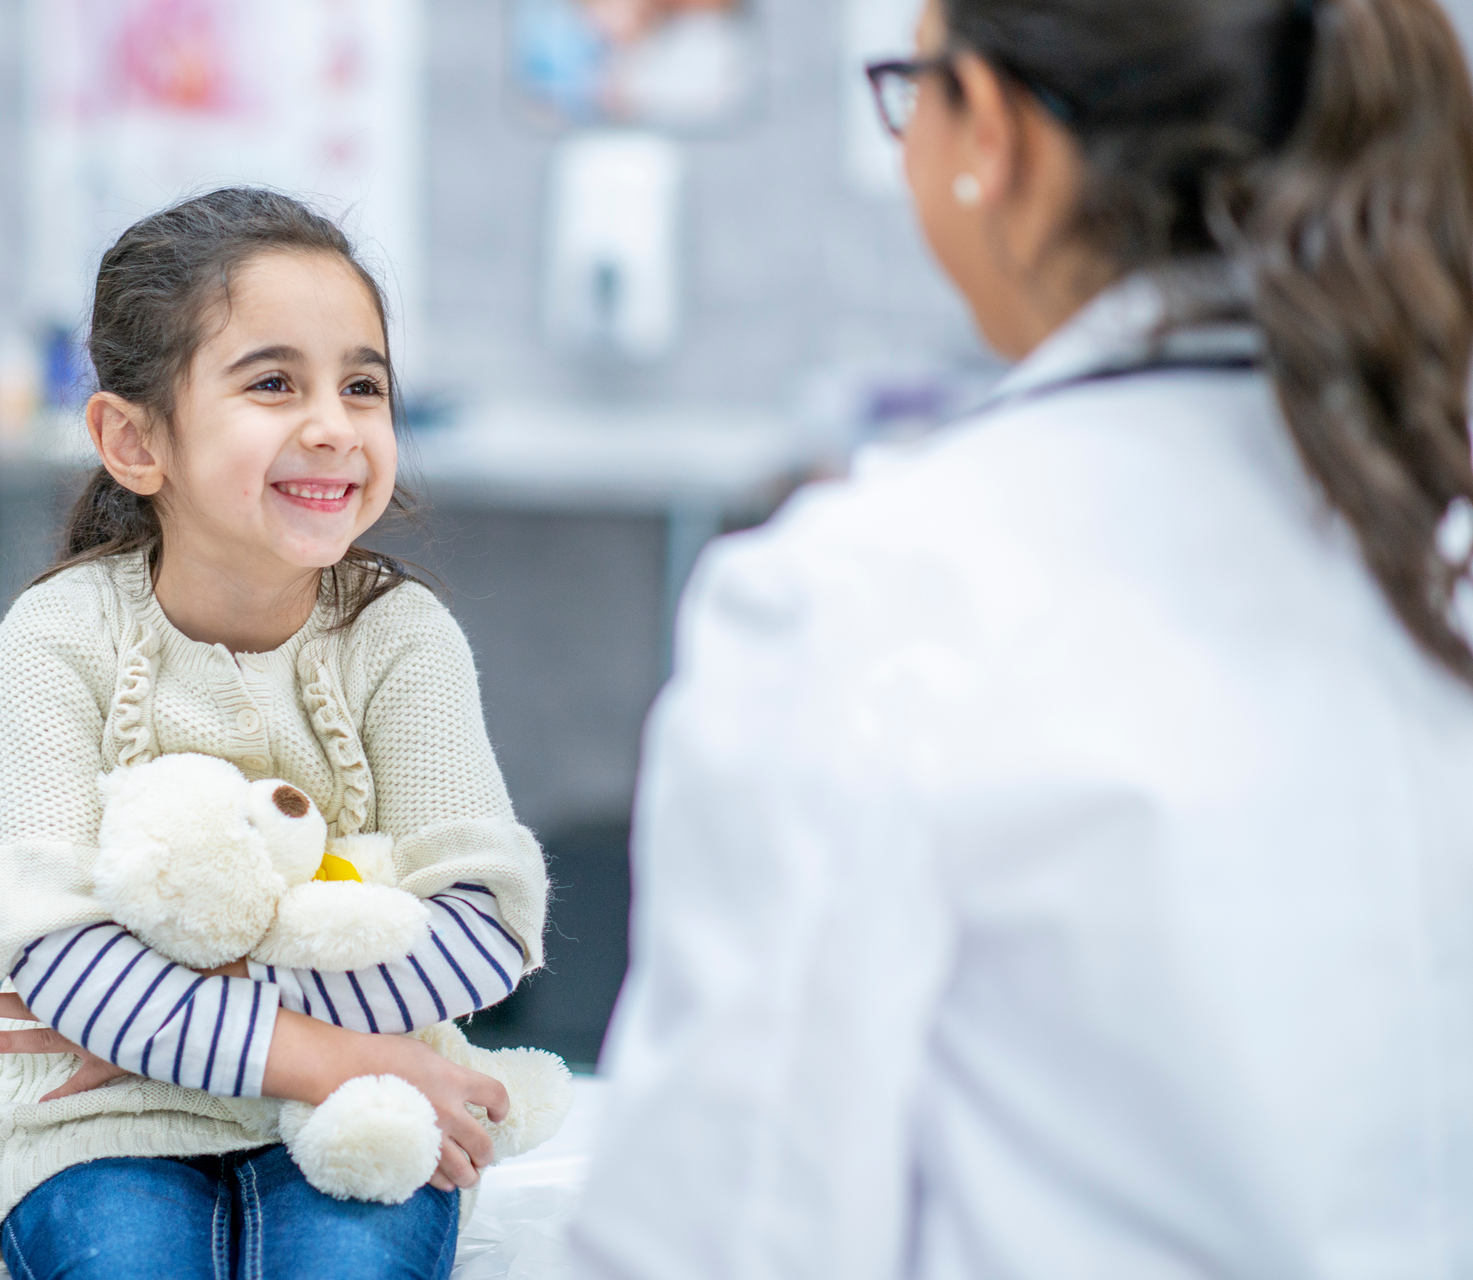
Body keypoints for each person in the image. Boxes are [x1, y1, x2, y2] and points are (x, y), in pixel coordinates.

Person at [569, 0, 1473, 1275]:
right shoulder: (1434, 538)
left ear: (991, 129)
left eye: (912, 88)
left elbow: (726, 1236)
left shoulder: (869, 601)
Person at [0, 189, 549, 1280]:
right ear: (134, 438)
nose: (332, 421)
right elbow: (51, 958)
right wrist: (317, 1041)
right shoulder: (55, 638)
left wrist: (158, 1011)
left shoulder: (402, 639)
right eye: (274, 381)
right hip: (94, 1117)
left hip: (367, 1104)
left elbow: (486, 930)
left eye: (362, 385)